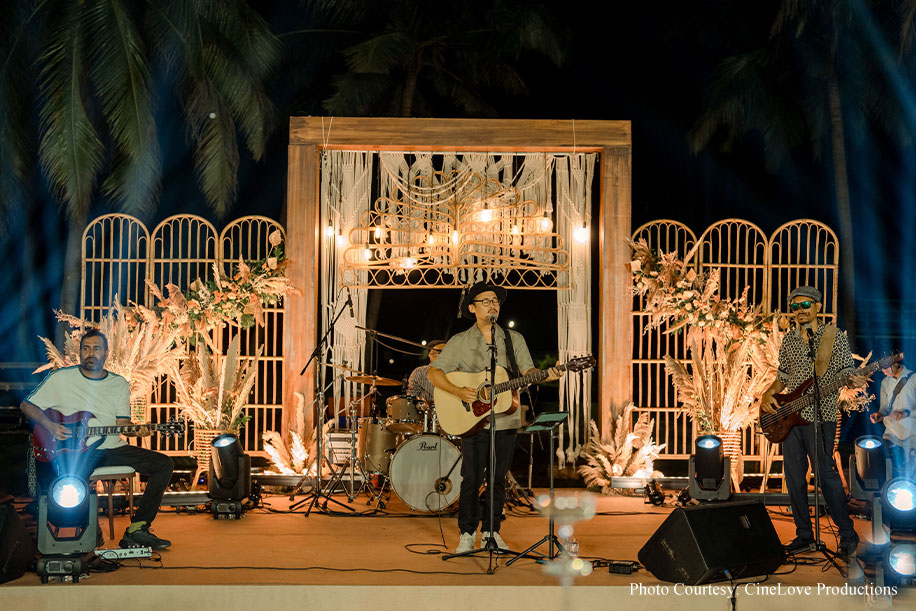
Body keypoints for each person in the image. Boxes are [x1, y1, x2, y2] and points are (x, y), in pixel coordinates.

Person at [428, 282, 562, 554]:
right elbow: (434, 373)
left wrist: (545, 374)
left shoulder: (514, 339)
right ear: (472, 308)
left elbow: (527, 371)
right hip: (471, 419)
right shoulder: (460, 342)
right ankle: (466, 533)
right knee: (472, 477)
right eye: (486, 300)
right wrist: (458, 391)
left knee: (498, 478)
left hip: (506, 417)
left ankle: (491, 531)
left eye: (495, 301)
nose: (493, 305)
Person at [21, 329, 174, 550]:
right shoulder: (61, 378)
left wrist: (137, 430)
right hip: (74, 452)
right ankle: (89, 534)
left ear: (106, 353)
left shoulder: (118, 384)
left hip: (112, 448)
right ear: (80, 352)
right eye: (86, 348)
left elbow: (122, 424)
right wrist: (51, 426)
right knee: (71, 479)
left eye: (96, 348)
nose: (91, 353)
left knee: (164, 464)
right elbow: (27, 405)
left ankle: (138, 528)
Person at [760, 286, 866, 558]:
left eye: (806, 304)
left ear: (817, 306)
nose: (800, 310)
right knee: (794, 477)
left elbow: (845, 371)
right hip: (789, 418)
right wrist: (767, 394)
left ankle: (846, 533)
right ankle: (804, 535)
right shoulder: (789, 341)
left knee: (825, 474)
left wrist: (852, 378)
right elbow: (783, 378)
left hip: (821, 416)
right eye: (795, 306)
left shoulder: (833, 336)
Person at [870, 357, 916, 479]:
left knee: (911, 472)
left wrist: (905, 413)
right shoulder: (885, 382)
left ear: (895, 364)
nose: (883, 371)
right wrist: (879, 415)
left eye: (885, 367)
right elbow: (885, 408)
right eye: (881, 368)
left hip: (912, 432)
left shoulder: (914, 379)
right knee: (892, 470)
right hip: (892, 432)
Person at [407, 339, 447, 404]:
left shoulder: (458, 372)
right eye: (440, 352)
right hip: (427, 412)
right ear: (431, 355)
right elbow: (410, 400)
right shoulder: (419, 372)